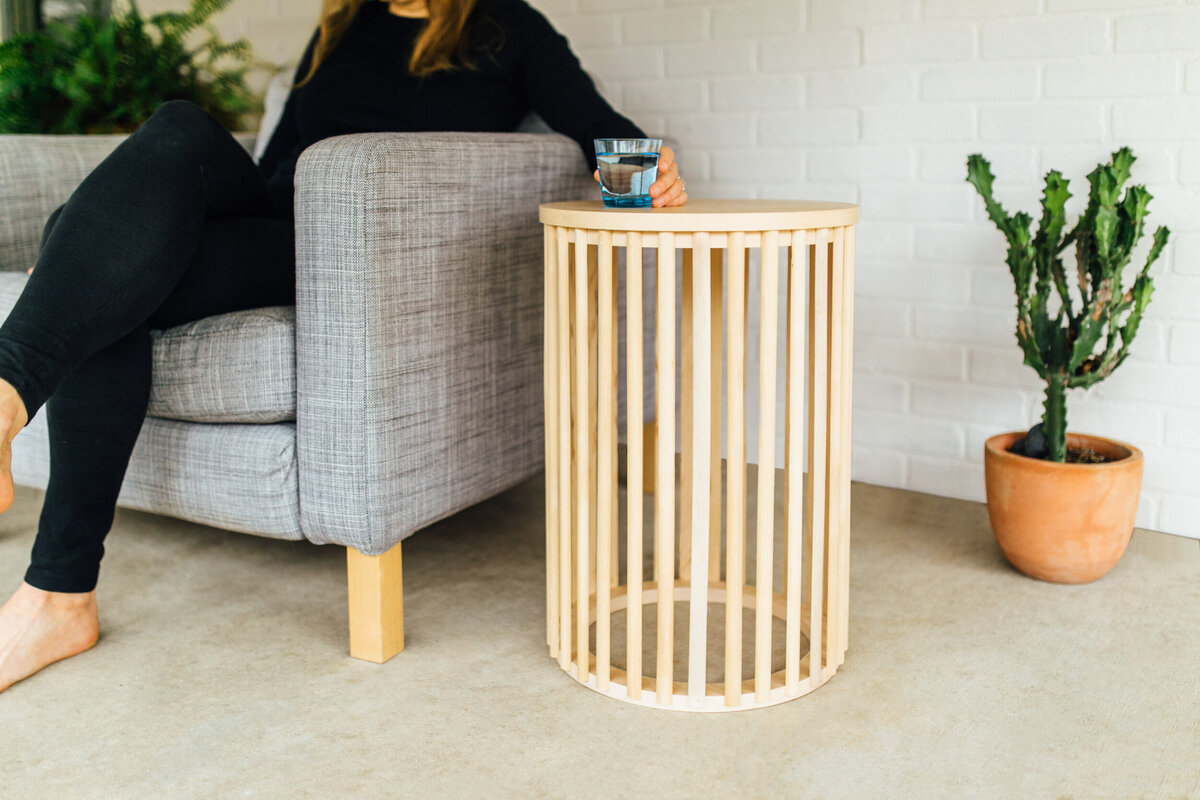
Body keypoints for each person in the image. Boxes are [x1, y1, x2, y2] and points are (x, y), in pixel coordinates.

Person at [0, 0, 687, 694]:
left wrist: (648, 169)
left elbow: (597, 126)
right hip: (269, 221)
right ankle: (60, 598)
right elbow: (268, 165)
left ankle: (34, 494)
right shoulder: (341, 23)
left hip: (339, 250)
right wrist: (115, 242)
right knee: (151, 174)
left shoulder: (506, 27)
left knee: (86, 256)